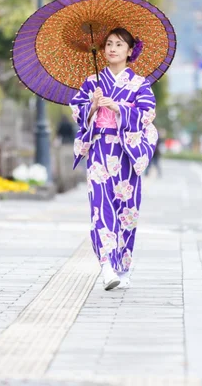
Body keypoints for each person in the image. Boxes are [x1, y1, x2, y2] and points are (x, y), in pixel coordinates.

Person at [69, 27, 158, 291]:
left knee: (127, 211)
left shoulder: (140, 84)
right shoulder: (91, 82)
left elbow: (147, 113)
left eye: (119, 45)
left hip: (125, 153)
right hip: (99, 151)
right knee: (100, 209)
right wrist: (93, 106)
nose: (112, 49)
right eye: (108, 44)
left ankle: (124, 267)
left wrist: (118, 107)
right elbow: (77, 110)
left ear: (130, 51)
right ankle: (107, 266)